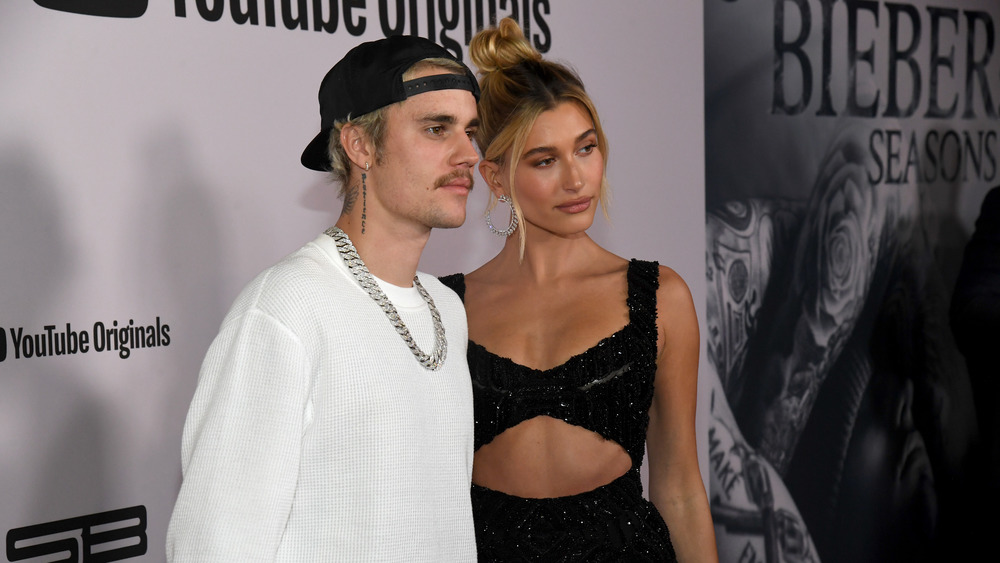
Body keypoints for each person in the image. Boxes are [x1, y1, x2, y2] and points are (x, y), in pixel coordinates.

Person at [166, 35, 481, 561]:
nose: (469, 154)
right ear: (359, 145)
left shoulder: (446, 307)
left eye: (471, 131)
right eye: (435, 129)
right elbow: (214, 546)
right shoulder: (287, 307)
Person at [439, 18, 717, 562]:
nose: (576, 179)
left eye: (586, 149)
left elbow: (679, 488)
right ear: (495, 178)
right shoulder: (447, 307)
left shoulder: (661, 297)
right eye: (546, 160)